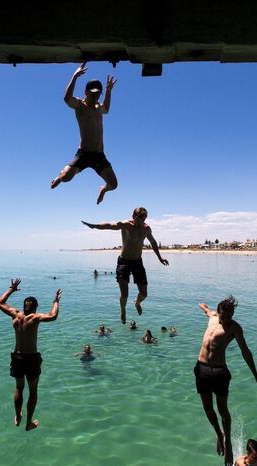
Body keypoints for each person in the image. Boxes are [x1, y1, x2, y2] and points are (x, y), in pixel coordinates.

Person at [195, 297, 257, 466]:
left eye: (230, 316)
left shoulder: (235, 328)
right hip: (201, 368)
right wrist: (202, 305)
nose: (227, 319)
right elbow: (207, 310)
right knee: (208, 408)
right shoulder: (213, 317)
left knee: (223, 410)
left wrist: (255, 374)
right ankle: (219, 435)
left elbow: (245, 351)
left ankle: (228, 443)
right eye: (224, 316)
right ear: (219, 312)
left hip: (219, 372)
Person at [82, 207, 169, 323]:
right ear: (133, 217)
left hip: (138, 262)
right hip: (124, 262)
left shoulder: (146, 229)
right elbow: (110, 225)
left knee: (144, 294)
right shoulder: (126, 225)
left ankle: (137, 303)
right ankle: (123, 310)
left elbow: (153, 242)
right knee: (124, 294)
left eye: (144, 219)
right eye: (140, 219)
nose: (142, 222)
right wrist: (95, 226)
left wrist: (160, 257)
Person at [0, 278, 62, 431]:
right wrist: (56, 301)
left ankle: (18, 415)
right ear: (36, 307)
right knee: (33, 390)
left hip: (17, 357)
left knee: (19, 387)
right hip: (31, 358)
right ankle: (28, 422)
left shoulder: (15, 315)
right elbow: (53, 316)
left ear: (24, 306)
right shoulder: (36, 317)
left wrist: (11, 289)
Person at [51, 63, 118, 204]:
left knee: (113, 185)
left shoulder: (99, 108)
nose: (95, 96)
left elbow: (107, 108)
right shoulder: (79, 105)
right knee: (66, 178)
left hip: (99, 156)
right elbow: (66, 99)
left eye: (97, 94)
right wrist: (75, 76)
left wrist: (109, 91)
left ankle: (103, 190)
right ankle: (59, 176)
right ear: (86, 92)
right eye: (92, 93)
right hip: (84, 154)